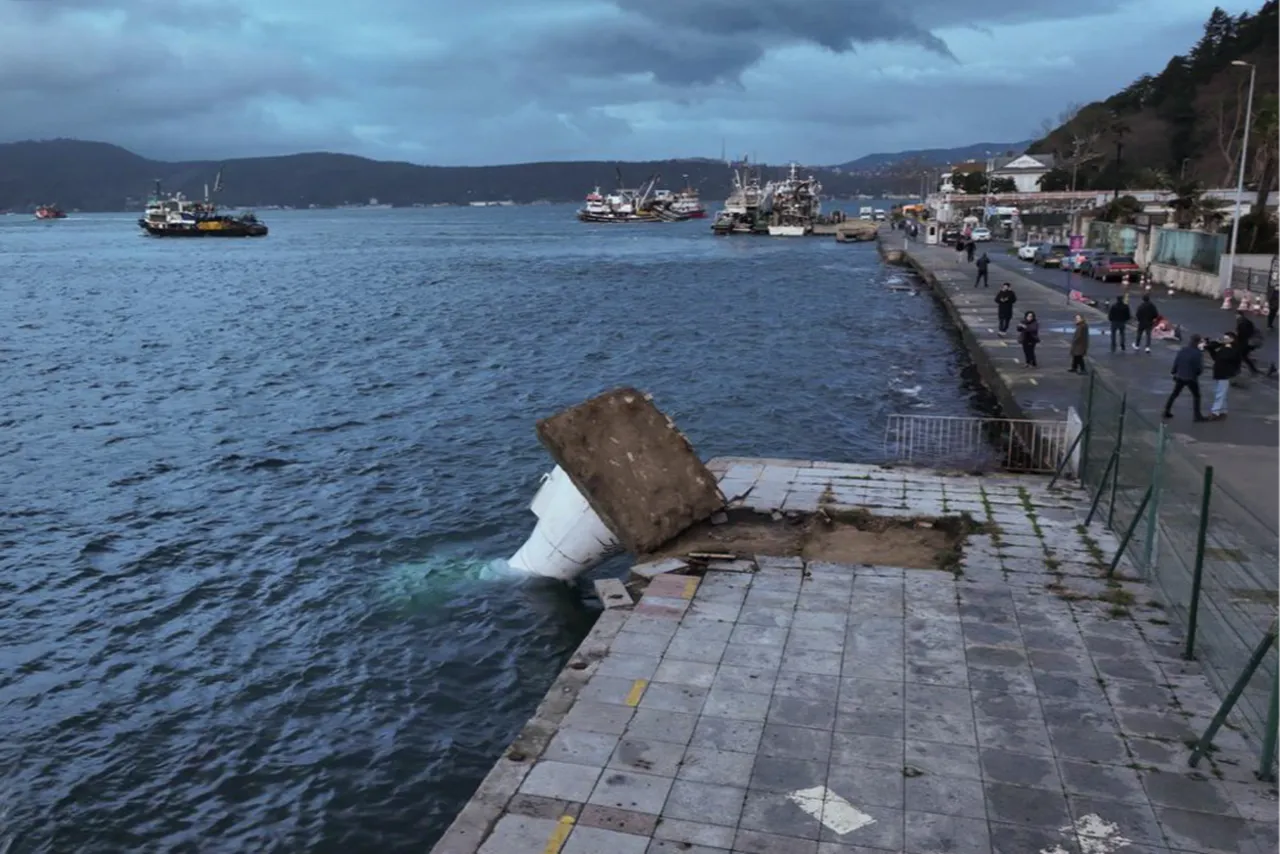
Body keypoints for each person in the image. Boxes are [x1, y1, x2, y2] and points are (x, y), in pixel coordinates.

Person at [1162, 334, 1207, 422]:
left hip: (1180, 376)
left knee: (1174, 394)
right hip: (1191, 377)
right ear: (1198, 342)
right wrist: (1197, 374)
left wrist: (1174, 372)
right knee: (1196, 396)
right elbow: (1199, 367)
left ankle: (1166, 411)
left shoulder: (1183, 350)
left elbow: (1177, 361)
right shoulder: (1197, 353)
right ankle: (1197, 416)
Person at [1205, 331, 1243, 420]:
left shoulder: (1233, 349)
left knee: (1220, 393)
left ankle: (1215, 412)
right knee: (1221, 393)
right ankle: (1223, 411)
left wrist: (1224, 346)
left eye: (1226, 338)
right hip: (1218, 372)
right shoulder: (1223, 348)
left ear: (1232, 339)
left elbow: (1228, 358)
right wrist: (1217, 343)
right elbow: (1214, 355)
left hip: (1225, 373)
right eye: (1224, 338)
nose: (1224, 340)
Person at [1236, 311, 1261, 376]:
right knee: (1243, 356)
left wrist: (1237, 339)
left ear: (1238, 315)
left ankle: (1238, 370)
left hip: (1247, 342)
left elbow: (1243, 333)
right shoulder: (1245, 321)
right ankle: (1253, 369)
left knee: (1241, 355)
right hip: (1250, 342)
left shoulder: (1242, 322)